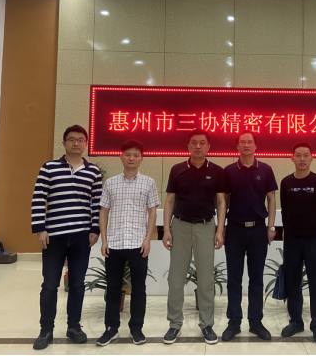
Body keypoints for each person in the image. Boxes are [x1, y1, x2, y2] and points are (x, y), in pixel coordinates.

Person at [31, 125, 103, 351]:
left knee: (77, 284)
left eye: (80, 140)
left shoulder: (93, 172)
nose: (76, 143)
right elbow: (38, 198)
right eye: (71, 139)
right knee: (50, 284)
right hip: (54, 235)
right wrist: (40, 228)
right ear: (63, 143)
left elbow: (97, 203)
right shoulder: (49, 168)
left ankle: (74, 327)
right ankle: (46, 329)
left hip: (82, 236)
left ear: (86, 144)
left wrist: (95, 229)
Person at [162, 129, 227, 345]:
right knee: (176, 278)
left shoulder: (217, 171)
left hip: (206, 227)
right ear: (188, 146)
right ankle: (174, 324)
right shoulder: (177, 169)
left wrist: (219, 230)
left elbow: (221, 202)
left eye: (202, 143)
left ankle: (207, 324)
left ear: (208, 146)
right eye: (194, 143)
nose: (198, 146)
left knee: (206, 278)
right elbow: (170, 200)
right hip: (180, 226)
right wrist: (167, 229)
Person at [96, 140, 160, 347]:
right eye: (128, 154)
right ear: (121, 156)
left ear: (141, 158)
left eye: (136, 155)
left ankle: (136, 328)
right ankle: (111, 328)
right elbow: (103, 212)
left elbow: (152, 213)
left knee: (139, 289)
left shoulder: (148, 182)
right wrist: (104, 240)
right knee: (113, 288)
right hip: (114, 243)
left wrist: (148, 239)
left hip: (138, 244)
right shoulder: (110, 183)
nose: (131, 158)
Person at [222, 132, 278, 342]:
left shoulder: (265, 169)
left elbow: (271, 199)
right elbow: (223, 201)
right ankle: (234, 321)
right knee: (234, 279)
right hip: (234, 230)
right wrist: (221, 228)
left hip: (258, 230)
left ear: (256, 146)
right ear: (237, 146)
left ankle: (256, 322)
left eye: (250, 142)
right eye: (242, 142)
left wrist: (271, 226)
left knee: (256, 279)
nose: (246, 145)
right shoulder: (228, 171)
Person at [280, 142, 316, 348]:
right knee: (293, 282)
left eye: (305, 155)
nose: (302, 159)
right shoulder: (286, 182)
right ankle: (296, 321)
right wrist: (289, 229)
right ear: (292, 158)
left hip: (313, 240)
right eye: (298, 155)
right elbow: (285, 210)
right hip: (292, 240)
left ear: (312, 157)